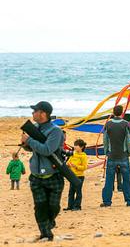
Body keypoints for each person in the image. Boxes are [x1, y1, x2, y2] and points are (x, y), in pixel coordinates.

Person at [20, 101, 65, 241]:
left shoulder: (55, 131)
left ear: (43, 114)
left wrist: (30, 140)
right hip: (36, 175)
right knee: (39, 208)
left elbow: (47, 150)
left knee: (53, 207)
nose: (33, 113)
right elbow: (32, 148)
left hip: (53, 175)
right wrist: (25, 144)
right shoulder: (34, 128)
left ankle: (48, 224)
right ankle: (46, 235)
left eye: (35, 111)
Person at [101, 105, 130, 207]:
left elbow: (105, 139)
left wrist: (106, 152)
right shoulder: (126, 124)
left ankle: (107, 202)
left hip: (111, 155)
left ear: (113, 112)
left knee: (109, 180)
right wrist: (128, 151)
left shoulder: (108, 124)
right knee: (126, 179)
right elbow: (129, 139)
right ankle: (129, 201)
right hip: (123, 155)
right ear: (122, 113)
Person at [64, 139, 88, 211]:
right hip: (72, 176)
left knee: (78, 191)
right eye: (74, 145)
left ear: (81, 147)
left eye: (76, 145)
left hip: (79, 176)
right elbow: (68, 162)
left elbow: (84, 167)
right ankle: (70, 206)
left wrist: (76, 167)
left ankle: (77, 206)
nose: (75, 147)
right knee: (71, 192)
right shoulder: (73, 154)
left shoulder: (83, 156)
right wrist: (68, 164)